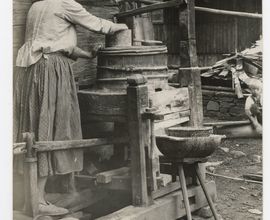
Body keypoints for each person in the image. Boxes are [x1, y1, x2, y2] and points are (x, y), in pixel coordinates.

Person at [13, 0, 128, 215]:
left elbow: (54, 41)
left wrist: (88, 55)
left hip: (32, 70)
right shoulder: (64, 3)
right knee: (49, 131)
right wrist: (121, 26)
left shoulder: (37, 6)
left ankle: (31, 197)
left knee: (34, 127)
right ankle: (38, 201)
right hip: (51, 69)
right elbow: (98, 25)